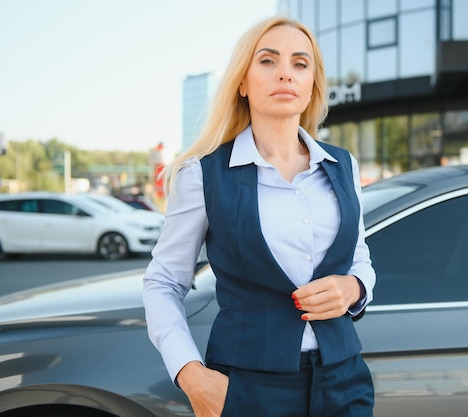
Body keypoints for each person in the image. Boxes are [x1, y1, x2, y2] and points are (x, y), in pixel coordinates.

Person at [142, 15, 376, 417]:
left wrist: (354, 288)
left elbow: (359, 259)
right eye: (268, 61)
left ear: (311, 86)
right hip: (247, 387)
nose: (285, 73)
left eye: (300, 64)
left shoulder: (344, 165)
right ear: (242, 82)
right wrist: (190, 374)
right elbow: (163, 283)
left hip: (343, 380)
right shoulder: (202, 174)